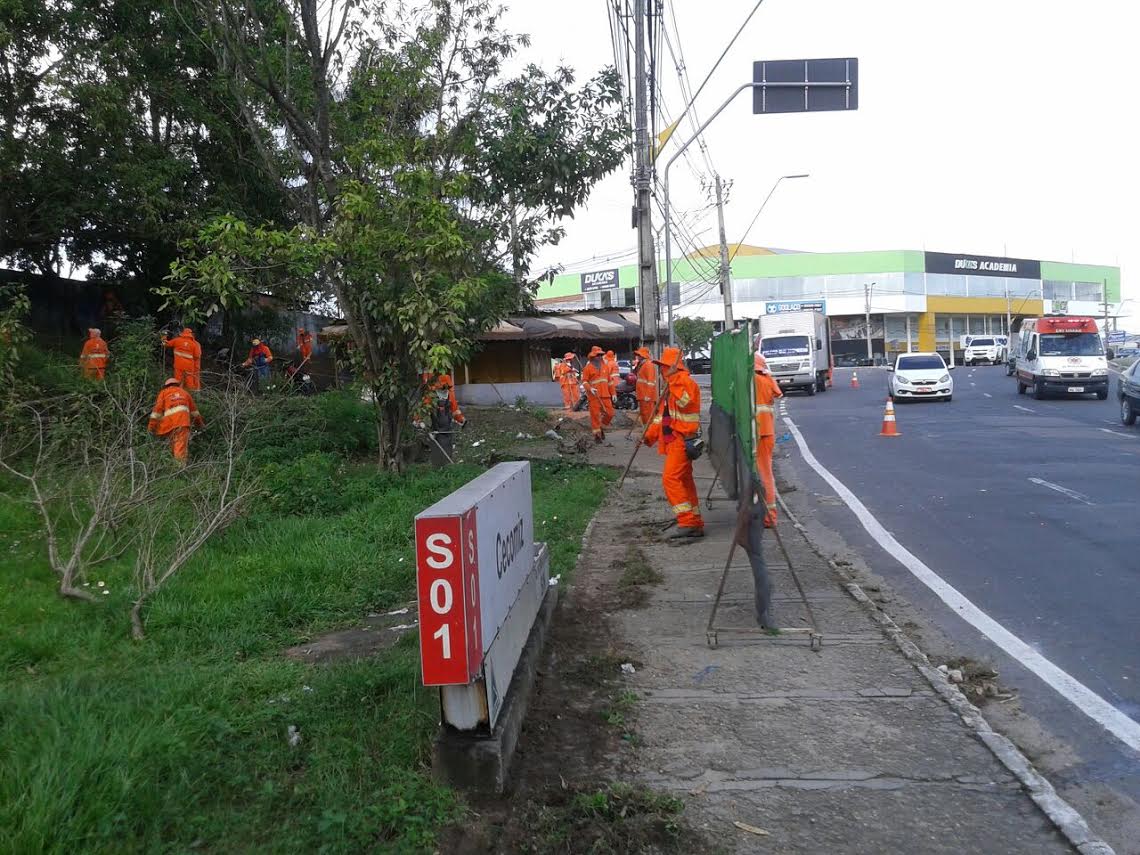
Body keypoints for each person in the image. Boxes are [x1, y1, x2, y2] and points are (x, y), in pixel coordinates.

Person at [644, 346, 703, 541]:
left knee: (670, 479)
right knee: (684, 481)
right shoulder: (671, 386)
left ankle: (687, 522)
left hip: (683, 440)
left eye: (664, 366)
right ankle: (695, 521)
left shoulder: (685, 383)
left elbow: (685, 402)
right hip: (675, 441)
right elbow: (662, 417)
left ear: (673, 367)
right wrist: (648, 437)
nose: (661, 370)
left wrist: (672, 381)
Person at [754, 354, 784, 528]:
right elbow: (777, 394)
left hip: (757, 432)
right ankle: (769, 515)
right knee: (766, 473)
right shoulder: (767, 378)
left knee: (762, 475)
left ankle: (769, 516)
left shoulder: (752, 380)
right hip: (767, 431)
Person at [147, 377, 205, 462]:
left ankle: (173, 467)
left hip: (169, 426)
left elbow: (156, 413)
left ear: (166, 386)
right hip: (182, 424)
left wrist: (151, 428)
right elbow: (195, 413)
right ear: (178, 385)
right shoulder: (185, 393)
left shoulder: (163, 393)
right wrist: (200, 425)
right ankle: (179, 467)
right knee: (180, 449)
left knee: (172, 448)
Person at [581, 345, 614, 442]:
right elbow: (584, 381)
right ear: (593, 356)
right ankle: (597, 435)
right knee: (595, 416)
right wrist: (590, 388)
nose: (600, 357)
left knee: (610, 413)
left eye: (601, 355)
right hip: (594, 396)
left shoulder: (605, 367)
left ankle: (601, 427)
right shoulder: (587, 368)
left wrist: (614, 393)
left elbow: (610, 382)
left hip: (605, 395)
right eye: (597, 355)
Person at [631, 346, 657, 426]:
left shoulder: (648, 365)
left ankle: (650, 431)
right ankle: (646, 430)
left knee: (648, 415)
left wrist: (648, 395)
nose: (637, 356)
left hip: (647, 396)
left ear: (643, 356)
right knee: (644, 415)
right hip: (643, 395)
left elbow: (651, 382)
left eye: (639, 355)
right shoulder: (642, 364)